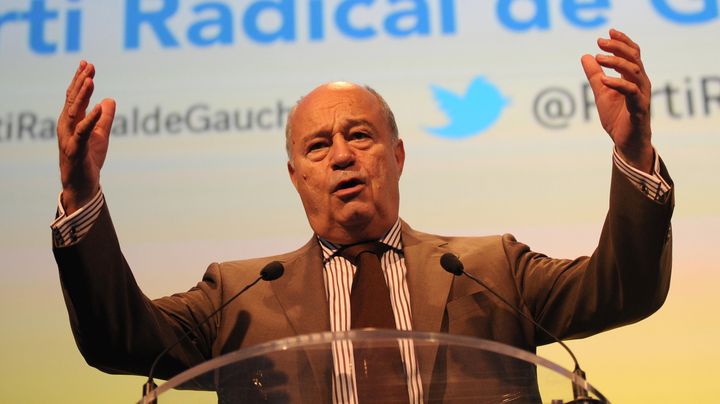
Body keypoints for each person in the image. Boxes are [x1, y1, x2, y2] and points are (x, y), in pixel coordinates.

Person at [52, 29, 673, 403]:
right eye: (318, 147)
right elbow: (117, 340)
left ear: (398, 156)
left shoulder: (492, 268)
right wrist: (82, 194)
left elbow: (624, 290)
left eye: (361, 136)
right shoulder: (237, 297)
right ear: (296, 178)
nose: (342, 155)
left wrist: (633, 151)